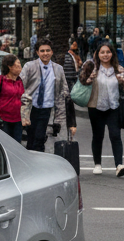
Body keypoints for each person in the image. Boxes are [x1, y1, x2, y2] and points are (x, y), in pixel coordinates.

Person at [79, 43, 124, 176]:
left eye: (108, 52)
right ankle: (97, 164)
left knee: (115, 135)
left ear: (112, 54)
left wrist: (122, 81)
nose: (105, 55)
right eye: (102, 52)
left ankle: (119, 165)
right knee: (98, 136)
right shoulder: (92, 67)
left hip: (113, 106)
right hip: (96, 107)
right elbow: (82, 82)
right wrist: (90, 78)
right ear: (98, 54)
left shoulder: (119, 69)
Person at [20, 39, 69, 152]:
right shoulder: (29, 66)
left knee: (40, 137)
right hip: (31, 109)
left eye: (48, 50)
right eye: (42, 51)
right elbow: (20, 86)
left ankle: (38, 160)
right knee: (31, 138)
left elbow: (63, 90)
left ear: (52, 52)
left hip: (47, 109)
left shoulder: (58, 69)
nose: (45, 53)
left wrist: (59, 115)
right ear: (37, 52)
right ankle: (31, 160)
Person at [0, 54, 25, 142]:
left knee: (17, 145)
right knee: (5, 145)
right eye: (17, 66)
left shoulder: (21, 81)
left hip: (18, 120)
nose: (20, 68)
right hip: (4, 120)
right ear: (10, 67)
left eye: (20, 66)